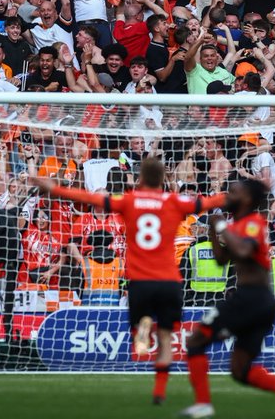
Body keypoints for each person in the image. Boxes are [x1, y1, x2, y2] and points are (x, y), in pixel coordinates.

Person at [33, 158, 225, 406]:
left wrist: (53, 188)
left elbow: (90, 199)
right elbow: (209, 203)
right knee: (167, 337)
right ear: (162, 181)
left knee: (140, 333)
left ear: (141, 179)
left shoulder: (130, 201)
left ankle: (142, 327)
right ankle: (160, 390)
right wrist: (236, 193)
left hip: (141, 280)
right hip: (169, 280)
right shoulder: (175, 202)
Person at [178, 178, 275, 419]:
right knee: (240, 370)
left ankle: (203, 403)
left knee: (195, 343)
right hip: (256, 301)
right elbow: (222, 259)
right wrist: (216, 230)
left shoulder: (254, 223)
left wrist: (222, 228)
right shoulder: (238, 225)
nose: (228, 196)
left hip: (252, 298)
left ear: (246, 198)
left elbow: (245, 251)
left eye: (233, 192)